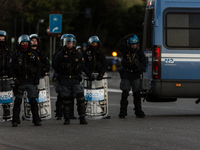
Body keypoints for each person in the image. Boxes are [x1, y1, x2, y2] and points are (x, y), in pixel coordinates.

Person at [53, 34, 87, 125]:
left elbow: (82, 65)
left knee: (80, 98)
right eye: (68, 43)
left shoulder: (78, 54)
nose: (69, 45)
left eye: (71, 43)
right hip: (64, 80)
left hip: (75, 80)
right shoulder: (60, 54)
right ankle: (67, 118)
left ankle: (82, 117)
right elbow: (55, 66)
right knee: (66, 100)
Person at [10, 35, 42, 127]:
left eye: (26, 43)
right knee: (18, 101)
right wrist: (15, 78)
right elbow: (11, 68)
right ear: (19, 44)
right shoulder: (15, 55)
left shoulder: (33, 54)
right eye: (23, 43)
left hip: (31, 81)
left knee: (33, 100)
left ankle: (36, 120)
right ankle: (15, 120)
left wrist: (37, 78)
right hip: (20, 81)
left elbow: (39, 67)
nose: (25, 45)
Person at [116, 33, 146, 118]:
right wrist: (125, 37)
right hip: (126, 74)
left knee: (137, 94)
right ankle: (122, 112)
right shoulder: (125, 50)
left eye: (135, 44)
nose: (133, 46)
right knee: (125, 93)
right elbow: (119, 45)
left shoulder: (140, 53)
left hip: (135, 75)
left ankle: (138, 111)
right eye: (132, 44)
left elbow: (144, 63)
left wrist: (140, 69)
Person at [52, 34, 77, 120]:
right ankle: (59, 113)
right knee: (61, 95)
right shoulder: (59, 53)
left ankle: (71, 113)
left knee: (71, 96)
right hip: (60, 76)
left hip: (70, 78)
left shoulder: (73, 52)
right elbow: (55, 65)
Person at [0, 30, 12, 120]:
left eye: (3, 38)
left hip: (6, 76)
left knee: (6, 96)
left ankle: (6, 114)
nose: (1, 39)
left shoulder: (8, 51)